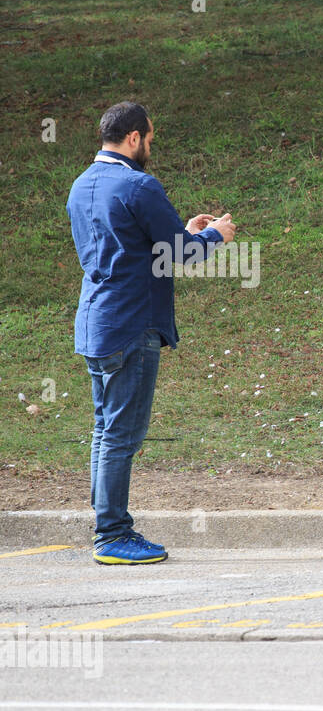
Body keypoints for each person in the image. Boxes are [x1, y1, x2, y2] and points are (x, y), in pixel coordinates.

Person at [67, 101, 235, 565]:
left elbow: (134, 247)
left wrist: (182, 231)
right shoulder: (140, 185)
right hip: (131, 325)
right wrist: (216, 236)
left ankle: (108, 529)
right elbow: (182, 255)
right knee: (122, 435)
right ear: (135, 137)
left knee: (106, 431)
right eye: (151, 139)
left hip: (95, 323)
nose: (150, 148)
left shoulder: (81, 186)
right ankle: (112, 535)